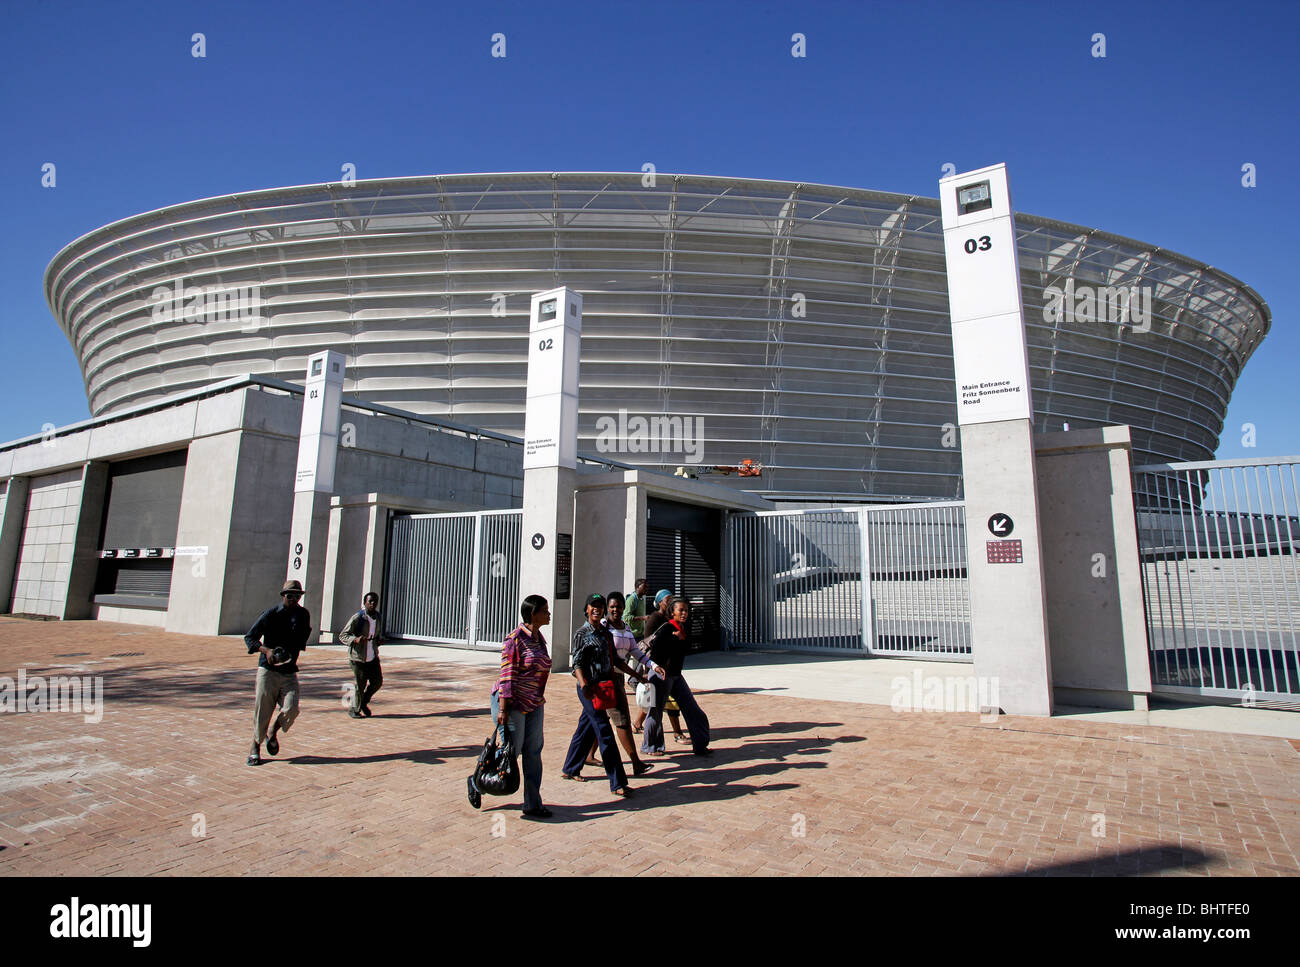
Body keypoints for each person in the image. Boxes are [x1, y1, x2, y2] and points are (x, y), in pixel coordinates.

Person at [475, 594, 553, 818]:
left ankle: (532, 803)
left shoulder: (539, 639)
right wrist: (503, 709)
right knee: (512, 751)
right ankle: (479, 781)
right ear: (532, 614)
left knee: (533, 752)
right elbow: (507, 676)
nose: (548, 614)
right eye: (544, 610)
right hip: (512, 702)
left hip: (534, 701)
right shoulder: (514, 639)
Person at [561, 593, 642, 797]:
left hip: (604, 686)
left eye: (599, 606)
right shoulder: (582, 633)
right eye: (593, 606)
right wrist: (584, 685)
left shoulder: (605, 633)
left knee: (586, 727)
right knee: (604, 730)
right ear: (587, 609)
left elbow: (616, 660)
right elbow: (577, 664)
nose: (597, 609)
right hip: (589, 688)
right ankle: (618, 782)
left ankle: (570, 768)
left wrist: (637, 675)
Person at [584, 590, 663, 777]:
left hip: (618, 677)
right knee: (622, 720)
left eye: (618, 606)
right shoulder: (602, 628)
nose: (615, 610)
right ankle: (635, 762)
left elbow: (636, 652)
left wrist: (653, 665)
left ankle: (585, 756)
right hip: (605, 678)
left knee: (599, 719)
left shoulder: (626, 628)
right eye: (611, 607)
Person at [244, 579, 312, 766]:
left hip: (289, 670)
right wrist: (267, 651)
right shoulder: (270, 615)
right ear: (283, 596)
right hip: (268, 671)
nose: (294, 599)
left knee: (291, 708)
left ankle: (272, 731)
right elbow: (250, 638)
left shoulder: (303, 615)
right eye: (290, 595)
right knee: (262, 710)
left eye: (297, 596)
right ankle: (255, 747)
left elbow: (304, 636)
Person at [642, 597, 712, 758]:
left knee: (693, 710)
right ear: (672, 612)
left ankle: (700, 744)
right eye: (681, 610)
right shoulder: (667, 628)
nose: (684, 613)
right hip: (661, 675)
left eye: (686, 610)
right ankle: (651, 746)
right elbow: (657, 650)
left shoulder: (683, 628)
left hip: (676, 676)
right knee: (655, 711)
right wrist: (675, 638)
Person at [633, 589, 686, 740]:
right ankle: (675, 733)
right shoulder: (655, 618)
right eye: (667, 599)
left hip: (669, 668)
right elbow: (648, 643)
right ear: (660, 602)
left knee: (656, 702)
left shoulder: (672, 619)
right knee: (660, 702)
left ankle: (637, 723)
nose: (670, 602)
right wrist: (647, 667)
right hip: (657, 667)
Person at [338, 591, 384, 718]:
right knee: (361, 685)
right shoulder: (358, 618)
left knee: (377, 682)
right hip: (358, 657)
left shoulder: (378, 617)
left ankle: (363, 702)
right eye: (370, 601)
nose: (373, 604)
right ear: (365, 603)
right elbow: (343, 635)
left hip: (372, 655)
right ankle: (354, 709)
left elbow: (376, 634)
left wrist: (379, 640)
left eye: (375, 601)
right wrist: (355, 640)